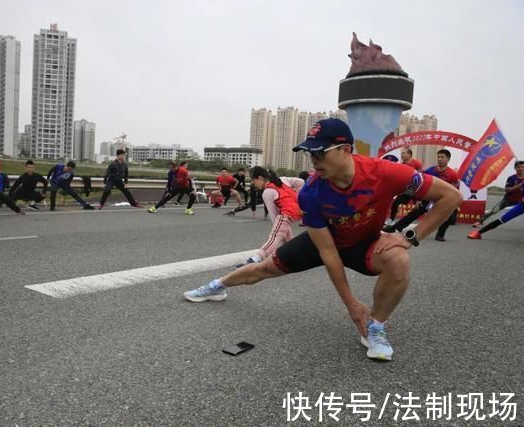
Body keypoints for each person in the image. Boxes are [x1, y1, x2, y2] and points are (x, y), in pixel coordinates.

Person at [183, 118, 461, 361]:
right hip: (326, 242)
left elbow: (450, 197)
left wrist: (409, 237)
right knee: (263, 269)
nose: (313, 161)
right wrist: (351, 302)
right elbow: (329, 254)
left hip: (364, 242)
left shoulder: (385, 172)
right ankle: (217, 286)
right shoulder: (311, 193)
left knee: (399, 258)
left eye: (320, 152)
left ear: (346, 150)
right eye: (309, 153)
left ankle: (376, 328)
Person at [235, 167, 304, 268]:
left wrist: (276, 228)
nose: (253, 184)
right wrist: (297, 198)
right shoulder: (283, 180)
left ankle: (255, 259)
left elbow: (274, 215)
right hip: (297, 212)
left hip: (287, 213)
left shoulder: (267, 192)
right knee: (285, 235)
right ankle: (295, 256)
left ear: (260, 178)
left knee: (274, 236)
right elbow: (301, 182)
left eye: (253, 180)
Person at [387, 149, 460, 241]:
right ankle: (395, 228)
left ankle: (440, 235)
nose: (440, 159)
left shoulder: (453, 175)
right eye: (438, 157)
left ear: (448, 159)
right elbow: (420, 186)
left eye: (442, 157)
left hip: (443, 199)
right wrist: (418, 200)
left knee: (449, 218)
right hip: (429, 197)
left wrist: (453, 204)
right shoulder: (430, 170)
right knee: (415, 212)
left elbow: (455, 190)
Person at [473, 160, 524, 227]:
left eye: (522, 167)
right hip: (508, 200)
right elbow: (507, 190)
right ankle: (480, 222)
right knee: (494, 210)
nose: (520, 168)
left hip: (521, 201)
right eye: (518, 167)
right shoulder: (511, 178)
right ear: (515, 168)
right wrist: (517, 186)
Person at [384, 147, 423, 229]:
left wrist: (419, 197)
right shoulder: (401, 165)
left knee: (419, 207)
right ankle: (391, 219)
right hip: (407, 189)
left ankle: (423, 223)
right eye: (402, 154)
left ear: (409, 154)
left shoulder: (417, 163)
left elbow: (421, 177)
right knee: (395, 203)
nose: (402, 155)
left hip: (416, 189)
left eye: (404, 153)